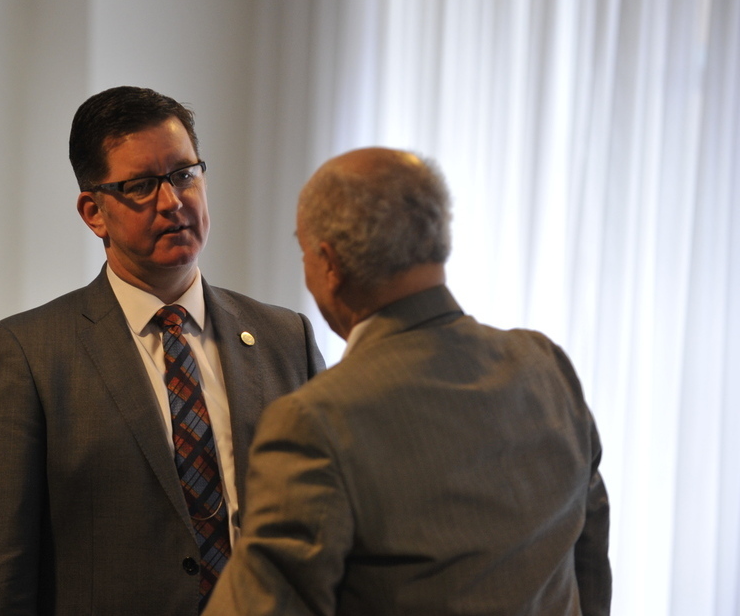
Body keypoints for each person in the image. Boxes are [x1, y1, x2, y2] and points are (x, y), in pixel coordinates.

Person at [0, 86, 326, 615]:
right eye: (140, 186)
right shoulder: (29, 355)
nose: (173, 201)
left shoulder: (285, 339)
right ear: (94, 212)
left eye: (184, 174)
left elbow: (332, 528)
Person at [204, 147, 612, 615]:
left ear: (329, 263)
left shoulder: (316, 422)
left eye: (303, 252)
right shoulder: (544, 365)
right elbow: (590, 563)